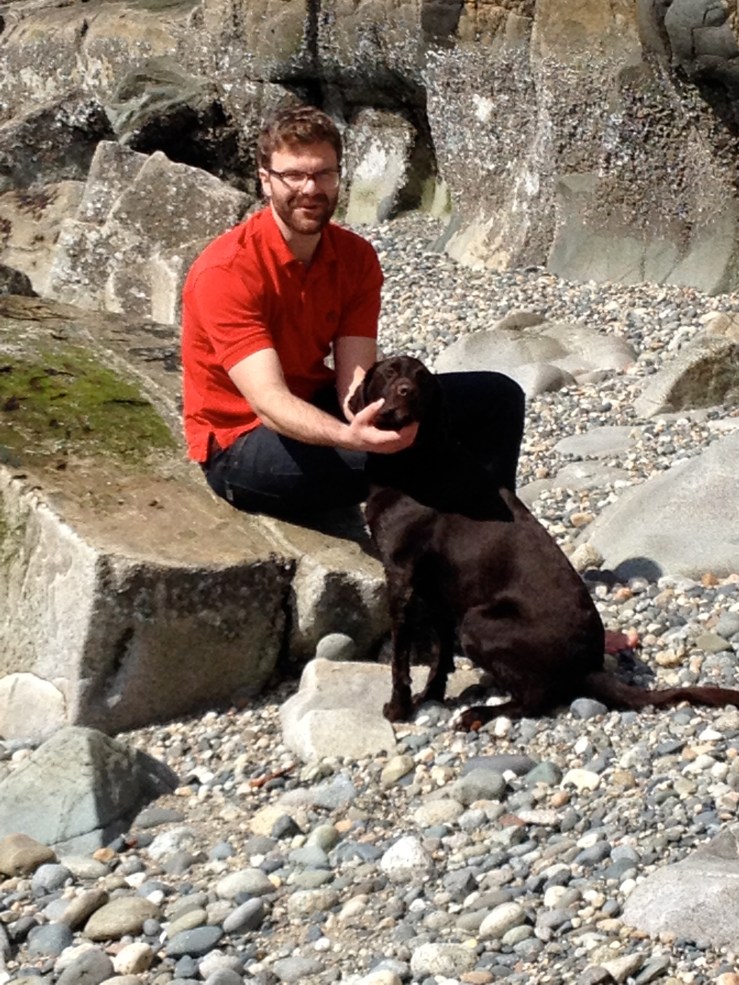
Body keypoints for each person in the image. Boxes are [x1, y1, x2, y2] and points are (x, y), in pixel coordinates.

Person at [181, 104, 525, 520]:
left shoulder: (354, 258)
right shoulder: (227, 272)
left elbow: (356, 383)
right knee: (407, 458)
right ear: (265, 180)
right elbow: (269, 401)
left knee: (498, 399)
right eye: (294, 175)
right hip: (241, 442)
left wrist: (373, 418)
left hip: (315, 400)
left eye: (324, 173)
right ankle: (453, 542)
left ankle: (496, 535)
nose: (310, 188)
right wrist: (352, 438)